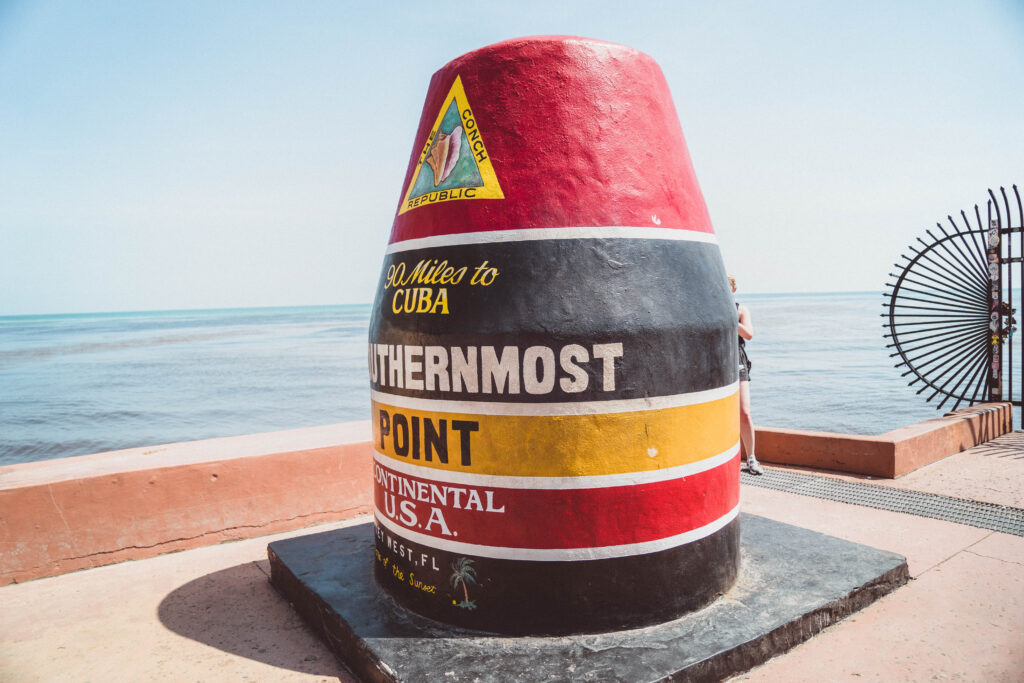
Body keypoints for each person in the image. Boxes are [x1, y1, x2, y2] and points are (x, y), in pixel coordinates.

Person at [729, 275, 764, 475]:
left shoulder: (740, 310)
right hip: (717, 360)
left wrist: (729, 316)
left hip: (738, 360)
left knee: (744, 411)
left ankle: (751, 458)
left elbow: (749, 334)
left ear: (734, 289)